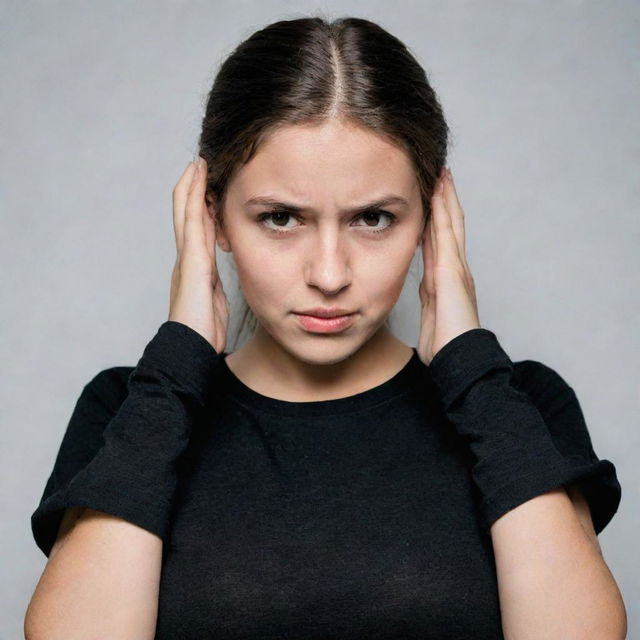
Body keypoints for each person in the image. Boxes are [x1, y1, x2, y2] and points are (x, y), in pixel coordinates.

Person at [25, 15, 626, 640]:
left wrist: (473, 369)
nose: (330, 273)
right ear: (214, 220)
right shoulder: (130, 413)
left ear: (430, 219)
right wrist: (178, 361)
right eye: (281, 218)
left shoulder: (518, 409)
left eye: (373, 218)